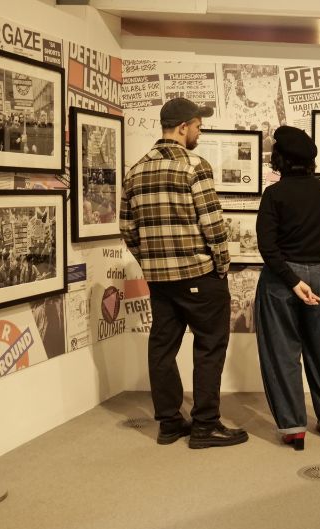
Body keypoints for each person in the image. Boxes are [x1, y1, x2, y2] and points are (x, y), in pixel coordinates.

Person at [120, 97, 247, 449]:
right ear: (182, 127)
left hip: (160, 280)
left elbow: (127, 228)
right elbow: (213, 225)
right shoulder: (194, 166)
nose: (199, 132)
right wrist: (221, 265)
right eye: (197, 126)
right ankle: (205, 425)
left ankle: (169, 423)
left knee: (162, 347)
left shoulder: (136, 170)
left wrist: (150, 262)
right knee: (209, 346)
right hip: (199, 275)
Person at [254, 125, 320, 451]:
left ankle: (294, 428)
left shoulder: (274, 195)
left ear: (280, 159)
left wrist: (293, 280)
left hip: (282, 279)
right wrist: (308, 272)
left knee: (282, 353)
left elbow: (268, 246)